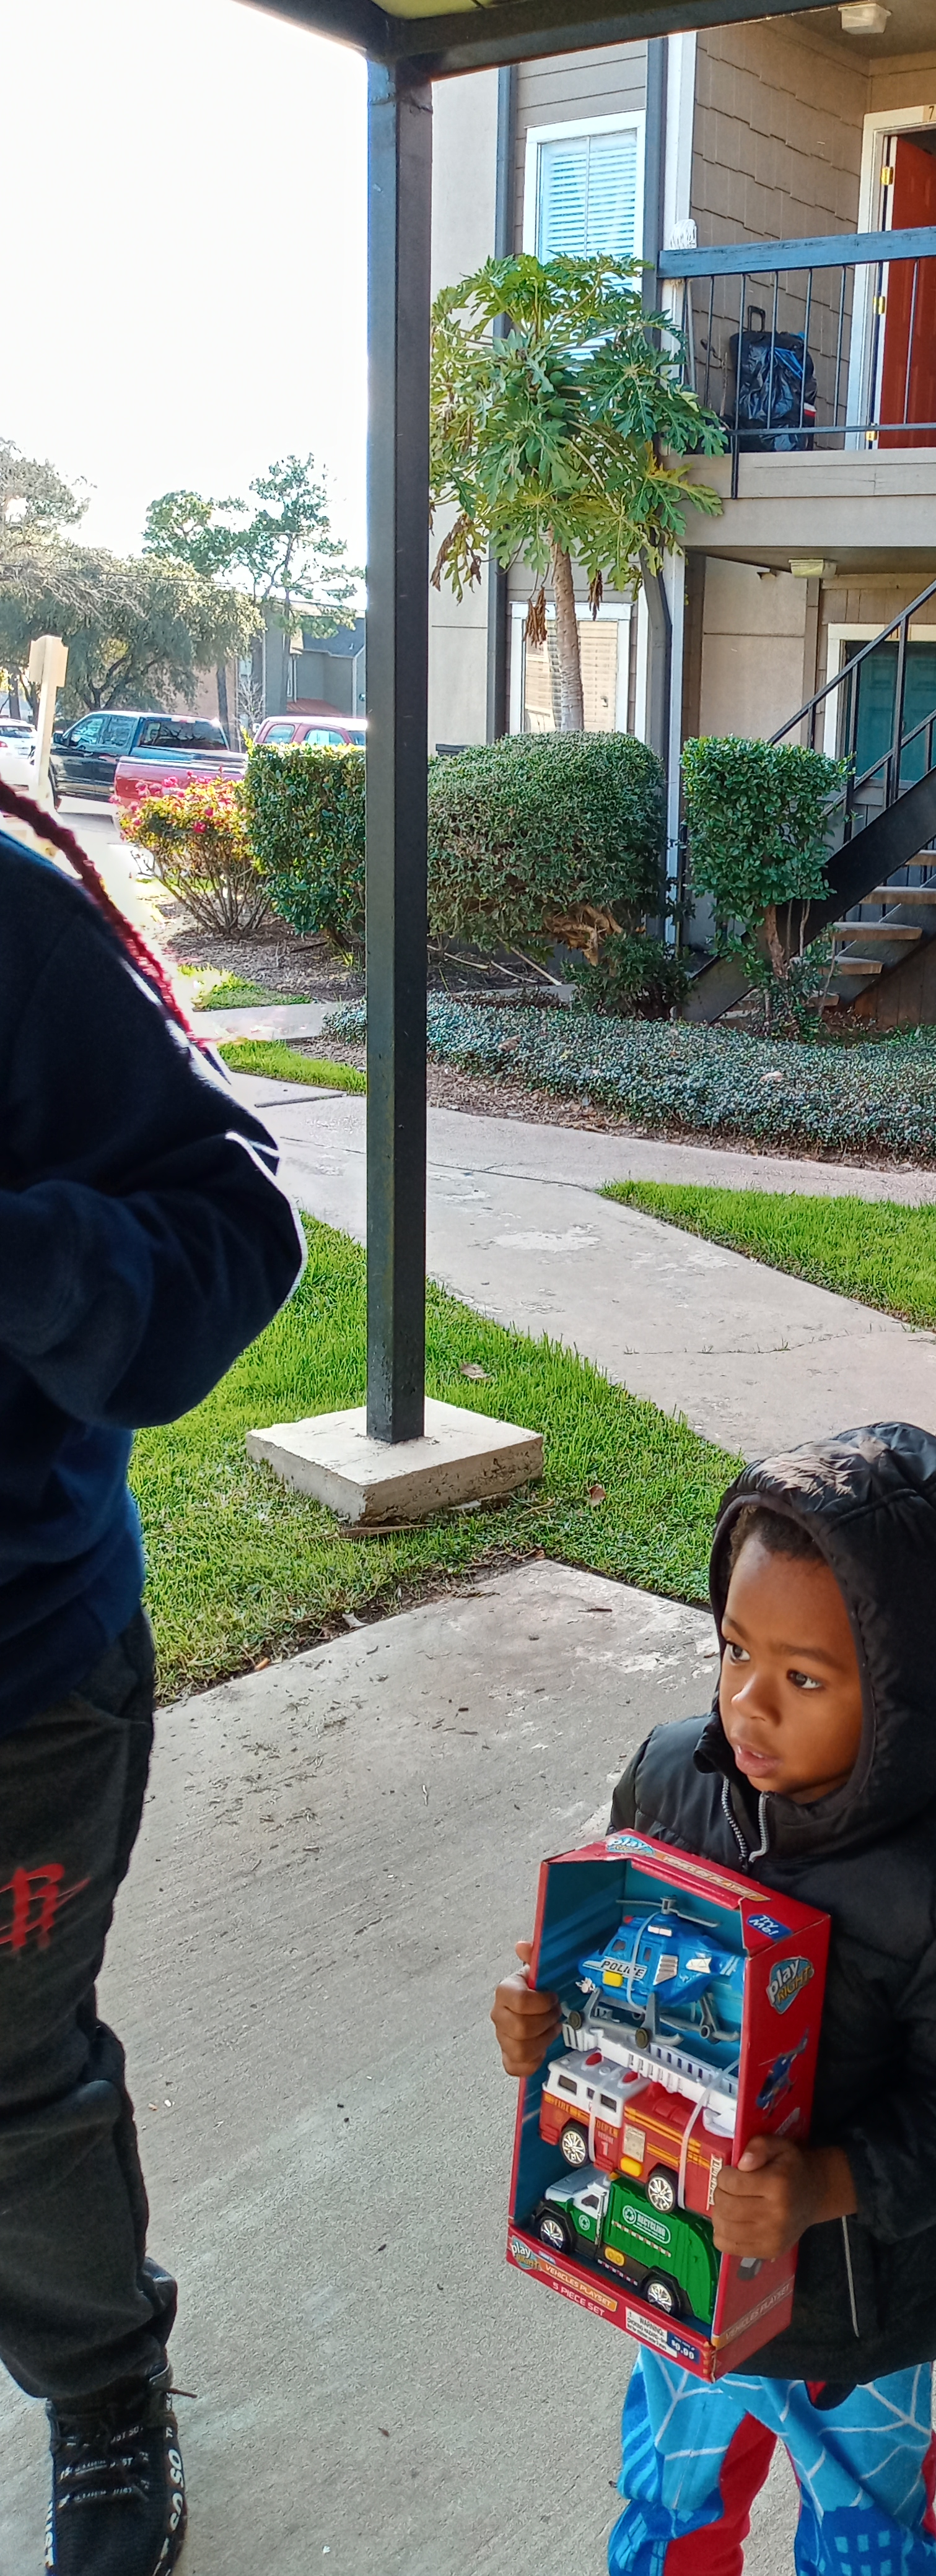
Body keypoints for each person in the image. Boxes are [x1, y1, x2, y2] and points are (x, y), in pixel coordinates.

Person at [492, 1421, 936, 2574]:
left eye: (804, 1678)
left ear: (909, 1699)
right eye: (734, 1650)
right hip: (675, 2264)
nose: (749, 1705)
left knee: (865, 2543)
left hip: (856, 2321)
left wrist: (826, 2185)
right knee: (668, 2510)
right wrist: (544, 2013)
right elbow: (607, 1957)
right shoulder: (670, 1779)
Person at [0, 781, 305, 2575]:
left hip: (19, 1686)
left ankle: (104, 2386)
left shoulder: (17, 929)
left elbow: (232, 1236)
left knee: (10, 2090)